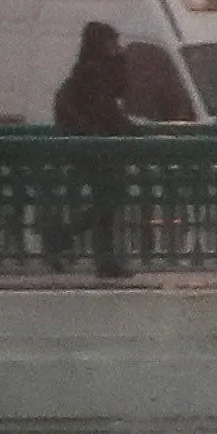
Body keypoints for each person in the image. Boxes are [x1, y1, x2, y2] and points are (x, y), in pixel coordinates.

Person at [46, 20, 136, 279]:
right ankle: (97, 255)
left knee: (107, 197)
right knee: (109, 196)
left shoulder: (92, 70)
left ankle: (70, 238)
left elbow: (115, 97)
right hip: (91, 145)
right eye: (112, 42)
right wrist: (129, 130)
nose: (117, 47)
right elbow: (107, 109)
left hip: (92, 144)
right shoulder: (92, 72)